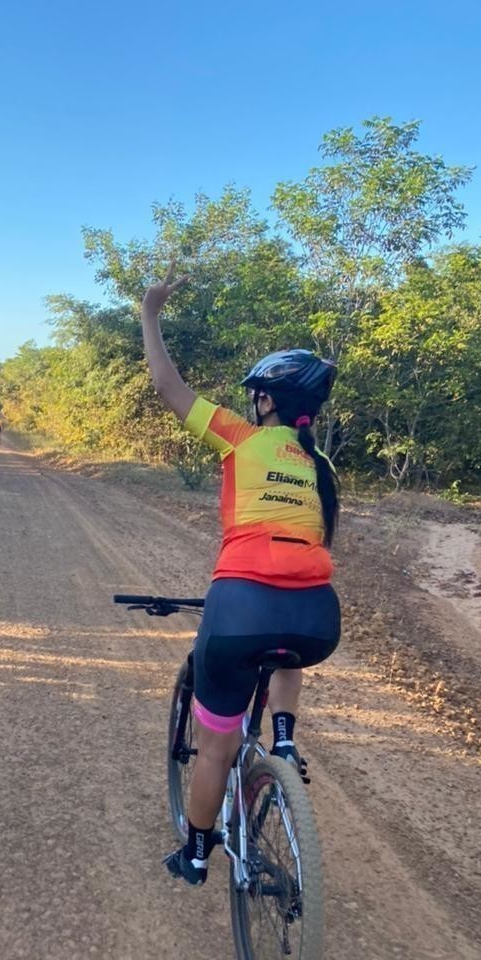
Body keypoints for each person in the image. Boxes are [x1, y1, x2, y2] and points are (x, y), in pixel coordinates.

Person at [141, 267, 341, 885]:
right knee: (287, 649)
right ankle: (283, 738)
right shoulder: (323, 466)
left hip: (239, 605)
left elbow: (167, 385)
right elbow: (323, 541)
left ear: (269, 402)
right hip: (316, 616)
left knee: (217, 745)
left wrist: (150, 313)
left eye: (258, 394)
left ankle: (198, 853)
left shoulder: (240, 437)